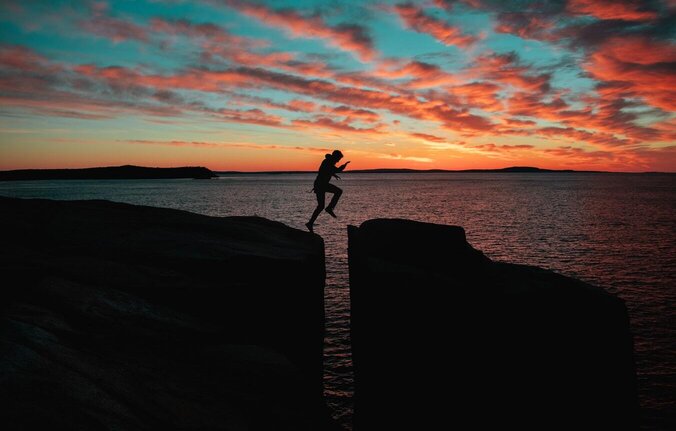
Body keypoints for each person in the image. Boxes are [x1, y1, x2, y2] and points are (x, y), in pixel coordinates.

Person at [306, 150, 350, 232]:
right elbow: (337, 170)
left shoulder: (329, 162)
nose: (338, 161)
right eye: (338, 159)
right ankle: (329, 208)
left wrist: (334, 175)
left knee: (321, 206)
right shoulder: (328, 161)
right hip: (321, 185)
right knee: (338, 192)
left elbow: (328, 170)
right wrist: (344, 165)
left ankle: (310, 223)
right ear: (335, 156)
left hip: (320, 185)